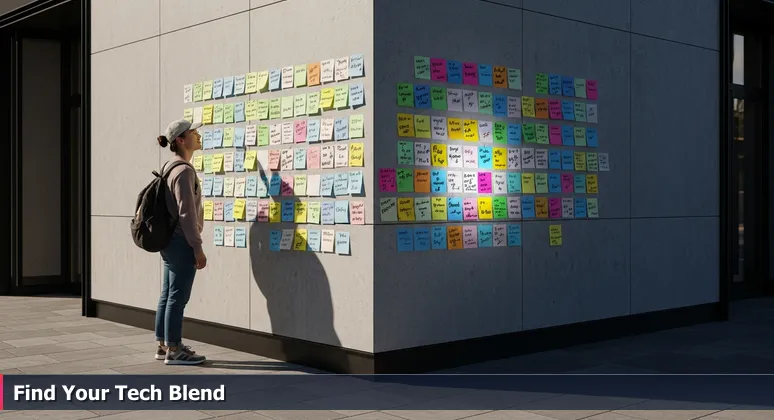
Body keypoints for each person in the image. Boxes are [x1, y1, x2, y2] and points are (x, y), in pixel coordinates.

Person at [154, 119, 207, 365]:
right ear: (180, 140)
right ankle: (175, 349)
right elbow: (187, 214)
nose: (198, 135)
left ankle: (163, 344)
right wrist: (197, 248)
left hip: (169, 240)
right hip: (180, 241)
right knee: (177, 296)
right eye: (193, 132)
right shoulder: (184, 171)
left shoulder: (169, 166)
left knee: (167, 294)